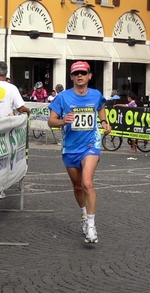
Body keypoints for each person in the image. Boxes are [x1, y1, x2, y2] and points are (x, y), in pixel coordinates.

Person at [47, 61, 111, 244]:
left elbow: (101, 107)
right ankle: (84, 215)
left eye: (83, 73)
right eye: (76, 74)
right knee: (77, 186)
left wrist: (104, 122)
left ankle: (91, 225)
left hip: (91, 144)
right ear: (71, 77)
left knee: (87, 183)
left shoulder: (96, 95)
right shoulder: (63, 98)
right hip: (70, 148)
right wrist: (62, 121)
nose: (80, 76)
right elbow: (51, 121)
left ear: (90, 75)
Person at [0, 61, 30, 204]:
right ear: (6, 73)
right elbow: (21, 108)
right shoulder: (12, 88)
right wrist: (28, 111)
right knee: (3, 162)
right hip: (6, 131)